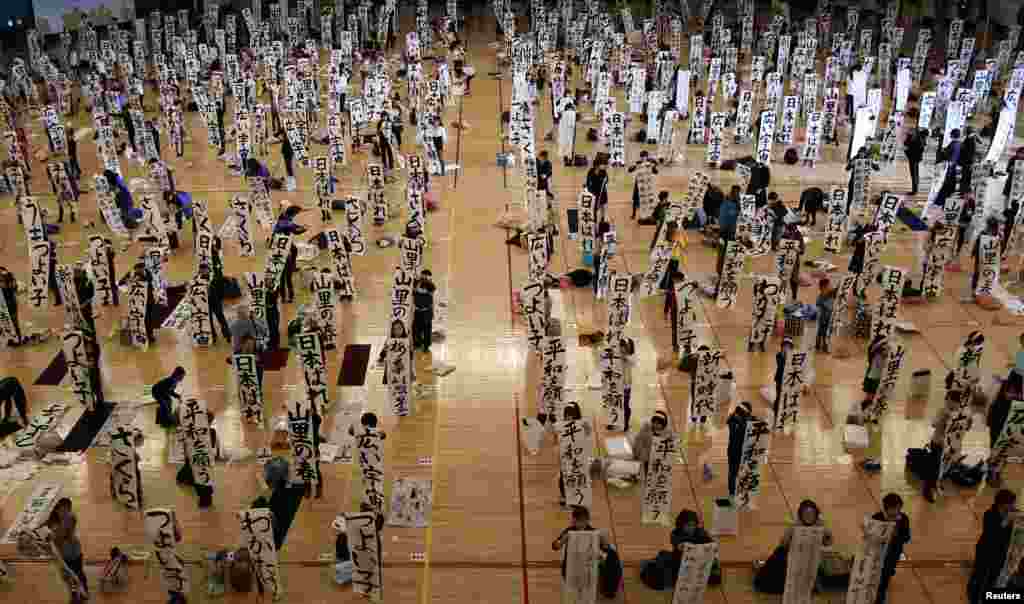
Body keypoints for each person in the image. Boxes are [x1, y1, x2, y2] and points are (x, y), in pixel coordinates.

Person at [754, 499, 833, 593]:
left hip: (810, 558)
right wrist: (791, 529)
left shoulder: (820, 525)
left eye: (811, 514)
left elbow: (828, 543)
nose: (808, 516)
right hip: (791, 557)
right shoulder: (795, 524)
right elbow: (783, 543)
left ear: (816, 514)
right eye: (805, 514)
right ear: (801, 514)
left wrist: (826, 530)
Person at [967, 489, 1018, 603]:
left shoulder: (1011, 514)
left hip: (1000, 553)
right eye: (1011, 503)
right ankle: (973, 597)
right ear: (1002, 503)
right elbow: (992, 534)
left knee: (992, 578)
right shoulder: (989, 514)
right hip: (986, 551)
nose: (1013, 506)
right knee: (979, 575)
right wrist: (1006, 521)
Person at [872, 493, 911, 604]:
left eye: (898, 509)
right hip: (878, 553)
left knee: (886, 575)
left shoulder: (904, 519)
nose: (896, 512)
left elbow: (907, 538)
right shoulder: (877, 518)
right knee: (877, 573)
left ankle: (880, 596)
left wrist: (897, 535)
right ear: (886, 508)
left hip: (893, 553)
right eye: (893, 509)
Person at [551, 506, 611, 578]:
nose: (577, 523)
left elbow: (606, 551)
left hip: (588, 571)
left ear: (587, 520)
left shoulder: (594, 532)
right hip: (570, 571)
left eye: (580, 520)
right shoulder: (569, 531)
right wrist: (561, 541)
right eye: (575, 520)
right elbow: (555, 546)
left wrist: (604, 543)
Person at [48, 498, 88, 602]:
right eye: (61, 509)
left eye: (66, 509)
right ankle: (74, 593)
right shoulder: (54, 520)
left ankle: (83, 592)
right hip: (63, 555)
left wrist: (53, 535)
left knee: (78, 573)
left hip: (74, 553)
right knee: (68, 577)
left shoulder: (71, 518)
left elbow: (62, 536)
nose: (64, 512)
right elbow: (55, 536)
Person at [273, 206, 306, 303]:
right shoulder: (287, 222)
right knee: (287, 277)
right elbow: (295, 231)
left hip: (278, 246)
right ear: (293, 214)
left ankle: (283, 297)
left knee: (282, 278)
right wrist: (305, 228)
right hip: (284, 247)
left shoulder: (283, 218)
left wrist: (299, 226)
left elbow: (293, 225)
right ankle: (290, 296)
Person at [198, 263, 231, 343]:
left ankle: (227, 334)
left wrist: (222, 293)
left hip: (216, 301)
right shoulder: (198, 280)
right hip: (205, 304)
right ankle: (213, 336)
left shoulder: (214, 277)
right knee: (209, 321)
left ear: (208, 270)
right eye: (202, 271)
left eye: (205, 270)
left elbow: (224, 280)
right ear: (200, 271)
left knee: (221, 318)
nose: (204, 272)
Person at [726, 402, 753, 498]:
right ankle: (732, 493)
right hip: (736, 452)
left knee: (737, 472)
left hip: (739, 451)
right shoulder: (736, 423)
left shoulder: (736, 420)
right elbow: (739, 432)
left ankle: (737, 492)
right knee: (734, 473)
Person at [632, 411, 670, 476]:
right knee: (647, 471)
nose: (656, 425)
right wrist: (639, 454)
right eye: (654, 423)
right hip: (647, 456)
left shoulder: (667, 433)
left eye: (658, 424)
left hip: (658, 458)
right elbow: (638, 443)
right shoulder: (645, 430)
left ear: (663, 425)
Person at [629, 151, 659, 220]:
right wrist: (635, 166)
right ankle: (633, 214)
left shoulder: (650, 163)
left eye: (644, 157)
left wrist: (653, 167)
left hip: (648, 185)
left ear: (647, 157)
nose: (643, 158)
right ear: (640, 157)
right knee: (635, 199)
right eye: (642, 157)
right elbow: (630, 170)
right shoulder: (638, 163)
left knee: (649, 199)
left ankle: (649, 214)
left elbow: (656, 172)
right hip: (639, 184)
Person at [412, 269, 436, 352]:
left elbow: (431, 289)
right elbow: (412, 289)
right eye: (423, 275)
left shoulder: (430, 285)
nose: (424, 277)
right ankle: (417, 344)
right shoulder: (416, 283)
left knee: (427, 329)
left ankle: (426, 346)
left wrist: (423, 281)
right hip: (417, 311)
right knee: (416, 328)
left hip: (427, 311)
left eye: (426, 276)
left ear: (429, 277)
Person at [0, 266, 22, 345]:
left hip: (11, 304)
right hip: (3, 306)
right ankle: (10, 338)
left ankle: (18, 340)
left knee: (14, 322)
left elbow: (15, 288)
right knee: (5, 322)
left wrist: (7, 282)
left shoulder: (10, 280)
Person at [773, 338, 793, 419]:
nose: (786, 348)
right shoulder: (779, 355)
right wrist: (785, 356)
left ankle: (785, 411)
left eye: (788, 347)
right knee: (779, 395)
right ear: (782, 347)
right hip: (780, 379)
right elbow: (781, 365)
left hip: (788, 380)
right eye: (785, 346)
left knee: (786, 396)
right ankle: (776, 411)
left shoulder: (792, 357)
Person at [815, 278, 836, 353]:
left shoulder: (831, 294)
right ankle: (820, 346)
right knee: (822, 333)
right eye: (829, 285)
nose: (831, 286)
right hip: (823, 319)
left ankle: (823, 346)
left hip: (829, 317)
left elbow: (837, 290)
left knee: (826, 333)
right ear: (824, 288)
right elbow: (819, 308)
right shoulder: (820, 298)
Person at [905, 128, 927, 195]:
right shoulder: (922, 137)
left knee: (914, 174)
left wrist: (908, 137)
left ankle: (915, 190)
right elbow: (923, 146)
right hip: (917, 158)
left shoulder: (915, 136)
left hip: (913, 158)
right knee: (916, 174)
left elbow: (907, 144)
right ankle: (915, 189)